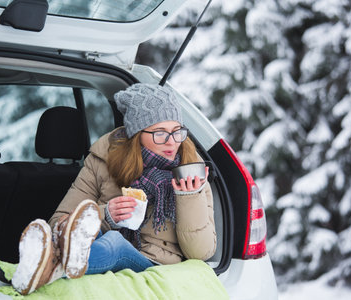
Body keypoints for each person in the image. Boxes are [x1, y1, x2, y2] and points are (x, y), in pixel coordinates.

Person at [11, 83, 217, 295]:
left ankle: (48, 266)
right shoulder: (103, 161)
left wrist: (189, 196)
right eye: (160, 133)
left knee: (115, 243)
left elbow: (201, 252)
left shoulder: (191, 169)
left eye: (177, 131)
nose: (172, 142)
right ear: (137, 133)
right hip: (99, 246)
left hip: (155, 263)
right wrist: (106, 214)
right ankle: (48, 263)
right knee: (97, 231)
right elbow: (59, 223)